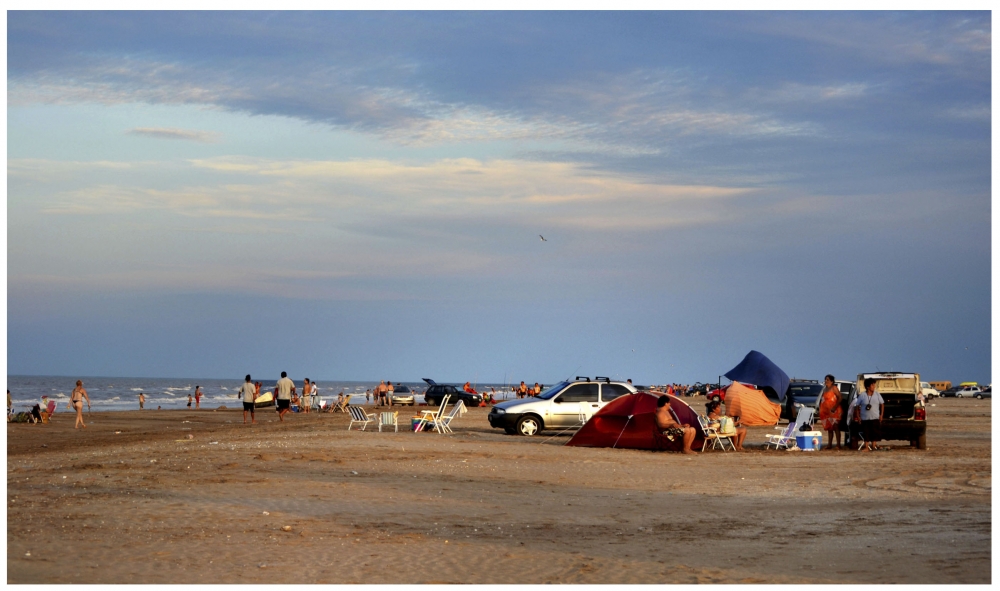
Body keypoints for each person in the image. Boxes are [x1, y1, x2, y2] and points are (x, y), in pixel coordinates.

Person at [848, 377, 885, 451]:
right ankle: (866, 447)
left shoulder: (877, 394)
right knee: (866, 432)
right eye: (872, 385)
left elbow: (882, 404)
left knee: (875, 432)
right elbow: (857, 406)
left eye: (874, 385)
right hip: (865, 418)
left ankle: (874, 446)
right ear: (868, 386)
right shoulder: (862, 395)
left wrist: (881, 415)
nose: (874, 387)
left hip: (875, 417)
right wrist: (858, 417)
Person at [818, 374, 843, 450]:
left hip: (834, 411)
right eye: (825, 379)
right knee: (829, 428)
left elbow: (840, 397)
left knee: (835, 427)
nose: (826, 381)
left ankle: (838, 445)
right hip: (826, 412)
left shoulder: (834, 388)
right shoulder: (825, 389)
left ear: (832, 381)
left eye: (828, 380)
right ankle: (829, 444)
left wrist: (835, 407)